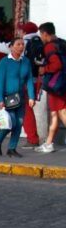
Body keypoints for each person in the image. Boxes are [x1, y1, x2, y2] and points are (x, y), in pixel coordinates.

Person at [0, 37, 35, 158]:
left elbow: (29, 80)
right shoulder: (4, 62)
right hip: (7, 99)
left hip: (21, 98)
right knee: (11, 122)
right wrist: (0, 99)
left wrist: (32, 97)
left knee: (19, 123)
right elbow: (0, 82)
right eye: (18, 44)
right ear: (11, 47)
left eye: (23, 44)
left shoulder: (26, 61)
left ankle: (12, 148)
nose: (21, 47)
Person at [35, 22, 66, 153]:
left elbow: (57, 65)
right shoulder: (62, 43)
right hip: (62, 83)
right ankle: (48, 143)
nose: (40, 37)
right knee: (55, 114)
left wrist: (44, 69)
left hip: (56, 84)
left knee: (62, 113)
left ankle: (48, 144)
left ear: (45, 34)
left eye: (41, 34)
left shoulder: (49, 47)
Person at [18, 22, 44, 148]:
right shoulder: (40, 41)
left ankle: (32, 139)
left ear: (24, 32)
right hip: (36, 81)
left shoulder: (24, 43)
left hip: (25, 82)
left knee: (25, 110)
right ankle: (33, 138)